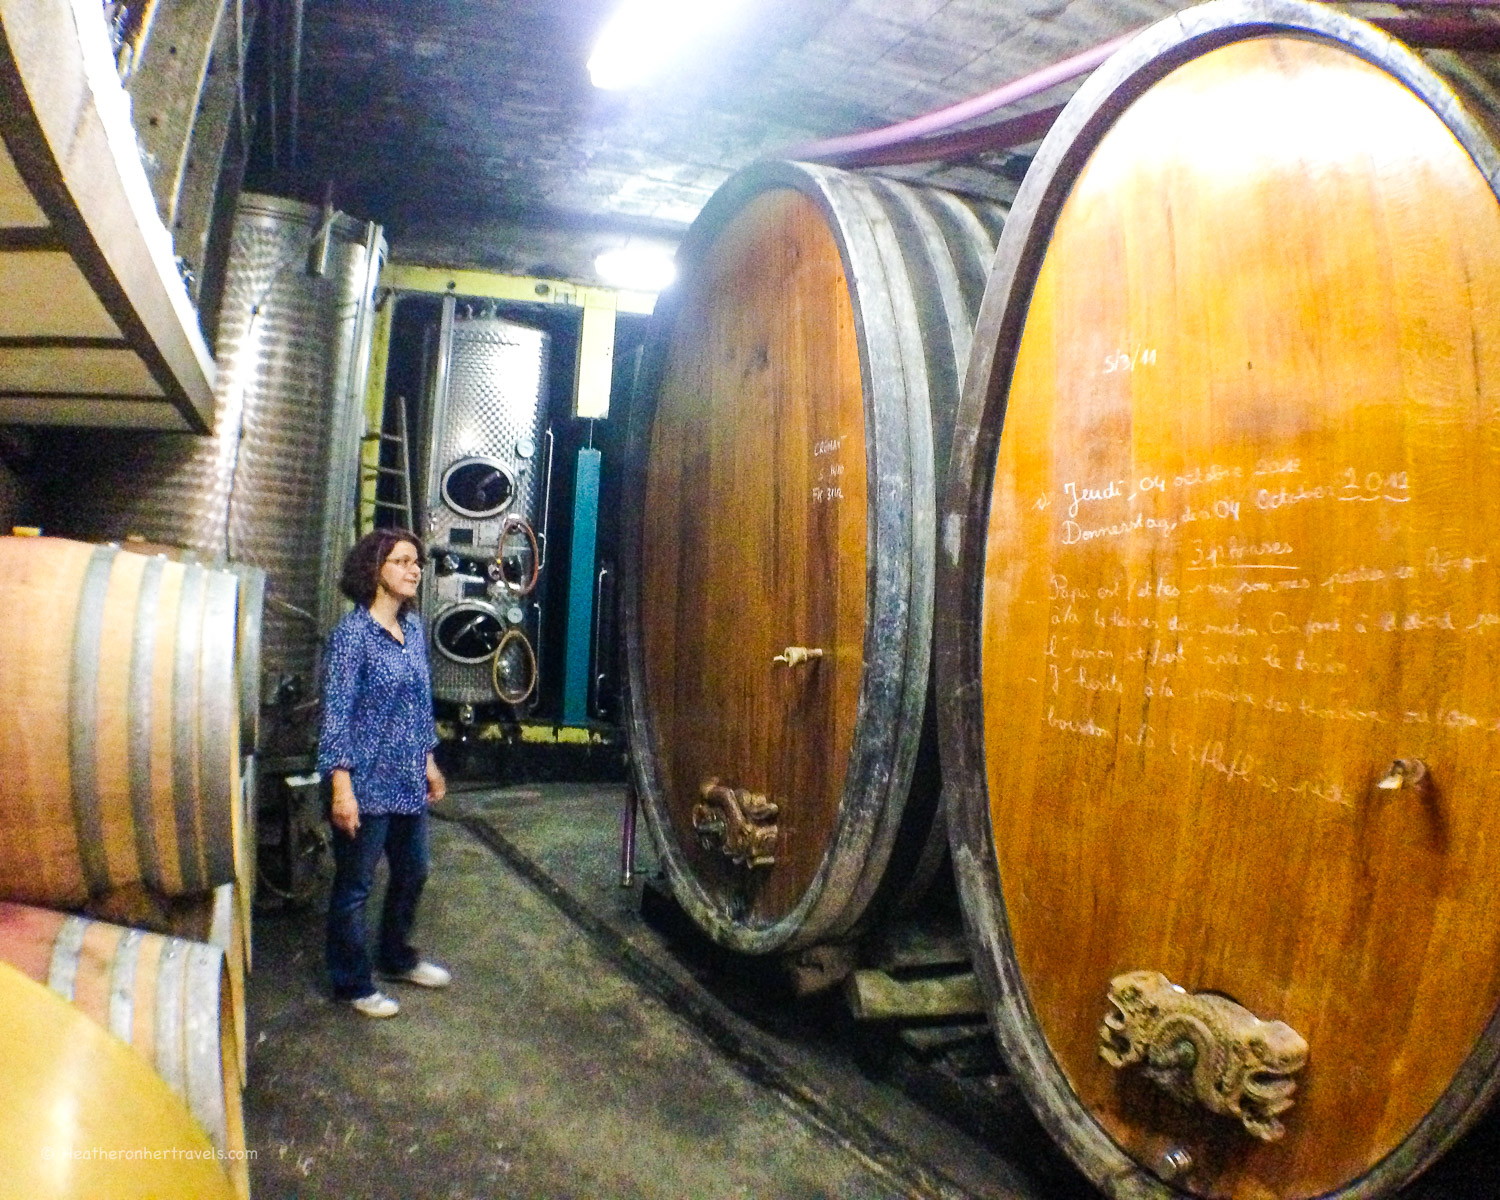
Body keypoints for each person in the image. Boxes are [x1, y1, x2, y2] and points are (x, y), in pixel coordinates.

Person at [318, 528, 450, 1017]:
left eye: (417, 562)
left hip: (406, 778)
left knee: (414, 872)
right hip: (364, 781)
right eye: (402, 561)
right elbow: (335, 714)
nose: (415, 570)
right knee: (354, 888)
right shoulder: (353, 636)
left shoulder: (412, 630)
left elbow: (419, 705)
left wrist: (429, 762)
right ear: (375, 571)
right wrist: (340, 786)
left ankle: (395, 957)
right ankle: (353, 983)